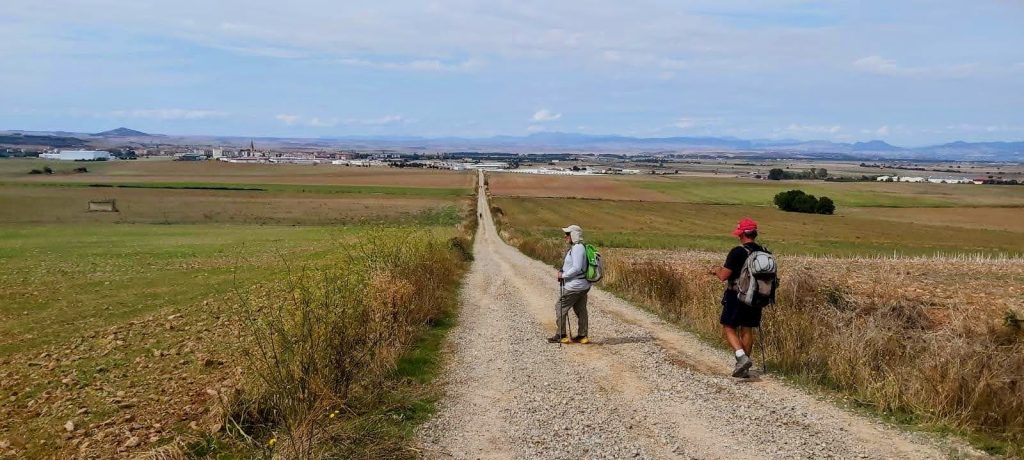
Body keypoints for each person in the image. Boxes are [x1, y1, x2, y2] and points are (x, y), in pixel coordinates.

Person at [710, 217, 765, 378]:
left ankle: (741, 358)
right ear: (754, 234)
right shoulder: (764, 252)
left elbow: (724, 276)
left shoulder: (737, 252)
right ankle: (744, 368)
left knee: (728, 327)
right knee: (747, 328)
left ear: (742, 234)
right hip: (756, 297)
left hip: (737, 295)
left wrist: (716, 270)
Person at [547, 224, 591, 344]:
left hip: (574, 286)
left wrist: (563, 275)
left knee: (560, 307)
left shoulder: (577, 248)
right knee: (581, 309)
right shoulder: (581, 247)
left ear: (574, 235)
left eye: (567, 234)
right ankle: (583, 336)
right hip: (583, 285)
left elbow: (576, 268)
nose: (565, 236)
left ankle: (561, 335)